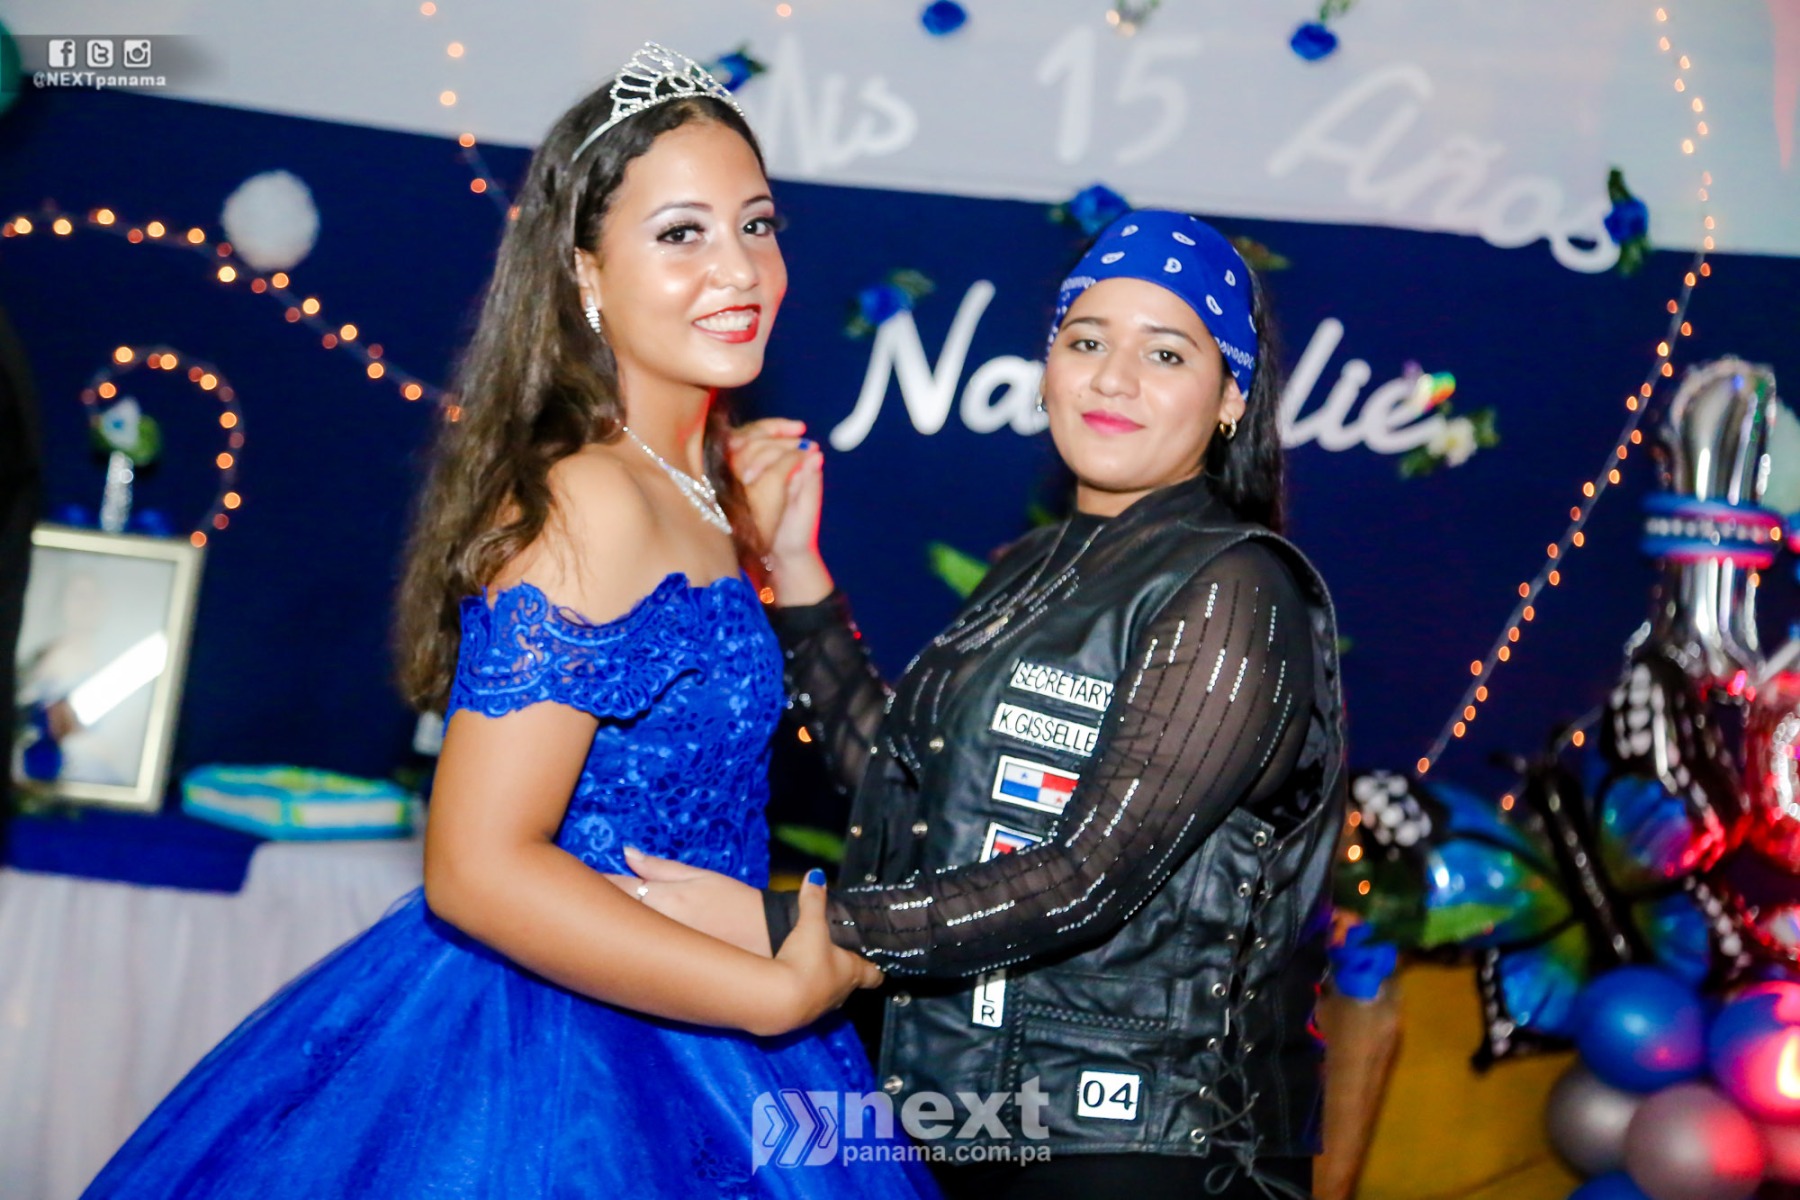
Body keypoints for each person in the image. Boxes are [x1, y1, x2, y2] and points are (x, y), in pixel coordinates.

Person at [83, 44, 937, 1199]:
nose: (739, 268)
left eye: (756, 224)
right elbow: (477, 868)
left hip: (701, 1008)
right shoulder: (590, 499)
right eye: (681, 233)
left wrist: (781, 559)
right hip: (569, 1053)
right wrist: (771, 992)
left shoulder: (698, 483)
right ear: (587, 273)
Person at [622, 210, 1348, 1199]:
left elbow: (1091, 874)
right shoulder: (1030, 567)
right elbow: (908, 791)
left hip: (1148, 1136)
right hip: (973, 1109)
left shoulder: (1238, 588)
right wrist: (793, 566)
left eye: (1165, 353)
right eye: (1085, 341)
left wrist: (788, 923)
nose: (1112, 378)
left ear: (1230, 397)